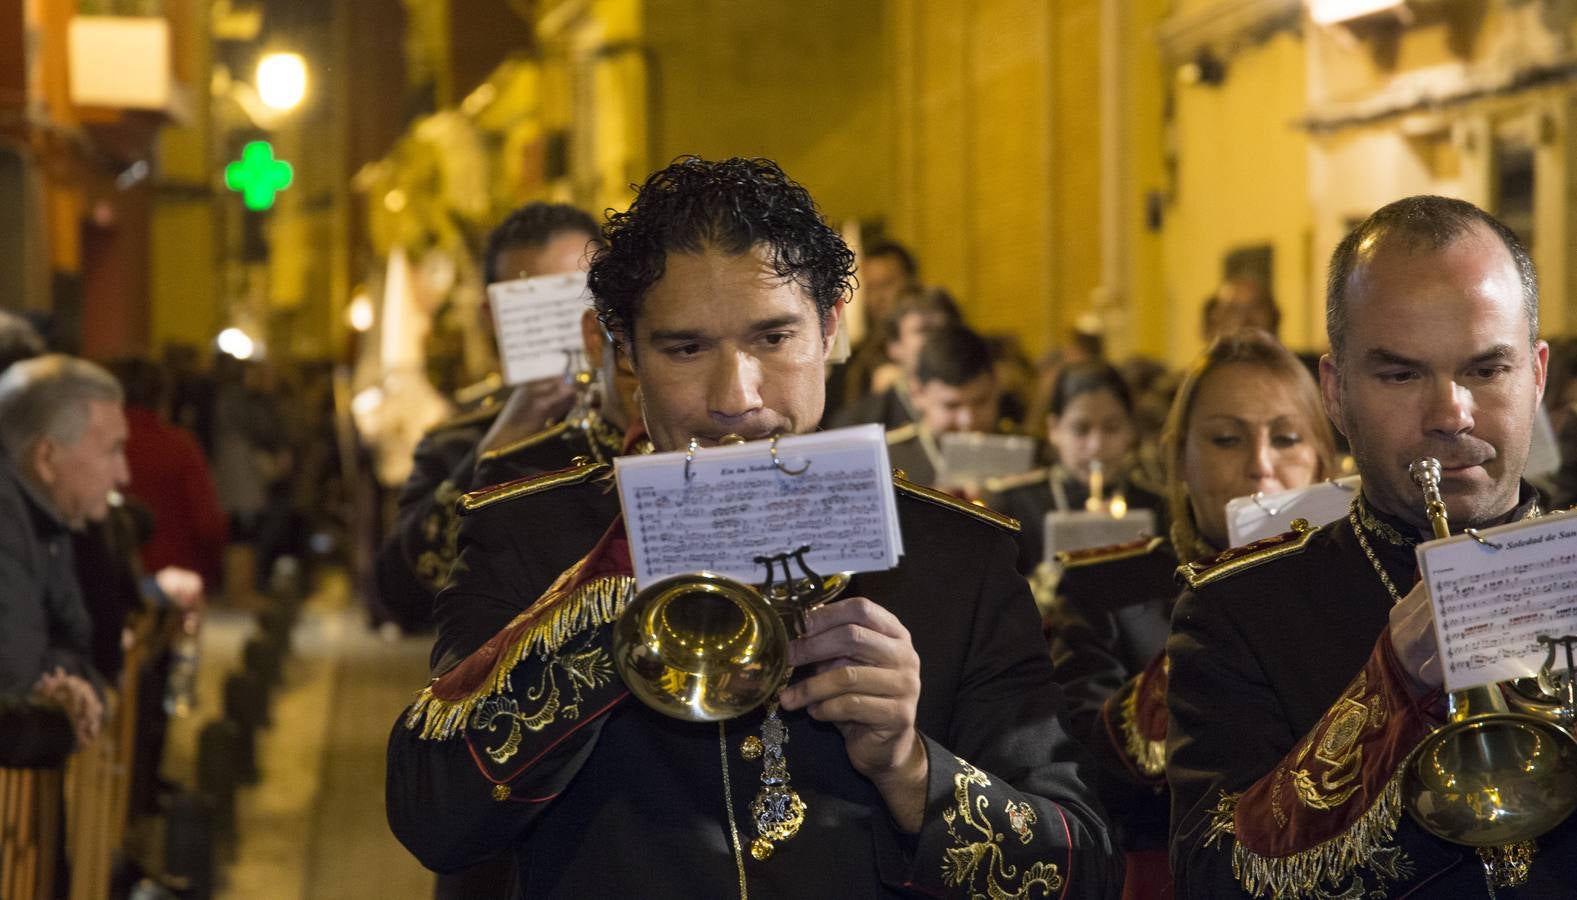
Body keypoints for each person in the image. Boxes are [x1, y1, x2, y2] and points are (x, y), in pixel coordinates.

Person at [387, 156, 1120, 897]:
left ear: (830, 328)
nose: (735, 396)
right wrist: (605, 591)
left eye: (773, 339)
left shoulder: (954, 554)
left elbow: (1079, 870)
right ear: (627, 354)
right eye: (685, 348)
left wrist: (909, 767)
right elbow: (434, 819)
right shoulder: (527, 536)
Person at [1167, 195, 1575, 896]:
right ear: (1334, 391)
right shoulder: (1237, 609)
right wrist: (1387, 689)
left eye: (1485, 369)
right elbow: (1211, 876)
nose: (1451, 413)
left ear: (1535, 374)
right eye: (1400, 374)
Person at [1045, 330, 1335, 899]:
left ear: (1323, 461)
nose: (1260, 465)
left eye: (1287, 438)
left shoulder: (1358, 587)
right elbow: (1082, 773)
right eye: (1227, 439)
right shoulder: (1106, 588)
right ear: (1179, 458)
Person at [376, 202, 621, 633]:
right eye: (533, 305)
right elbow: (402, 592)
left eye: (581, 296)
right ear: (492, 317)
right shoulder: (453, 442)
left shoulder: (661, 422)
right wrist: (496, 446)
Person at [0, 355, 129, 749]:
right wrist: (71, 689)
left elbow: (77, 646)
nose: (124, 474)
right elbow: (20, 684)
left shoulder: (47, 520)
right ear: (46, 458)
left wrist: (73, 681)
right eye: (112, 451)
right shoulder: (7, 526)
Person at [986, 361, 1166, 576]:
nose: (1096, 445)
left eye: (1111, 428)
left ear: (1130, 429)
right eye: (1081, 430)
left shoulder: (1157, 506)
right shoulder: (1015, 505)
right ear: (1054, 430)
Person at [885, 323, 1001, 489]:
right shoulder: (887, 458)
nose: (968, 420)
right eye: (952, 406)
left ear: (995, 386)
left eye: (981, 401)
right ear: (917, 393)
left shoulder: (1029, 457)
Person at [829, 286, 960, 430]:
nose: (937, 339)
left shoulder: (982, 401)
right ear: (894, 346)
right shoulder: (858, 423)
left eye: (944, 330)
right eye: (924, 330)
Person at [1199, 276, 1280, 344]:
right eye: (1232, 311)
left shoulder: (1291, 362)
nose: (1244, 320)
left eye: (1255, 309)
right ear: (1211, 327)